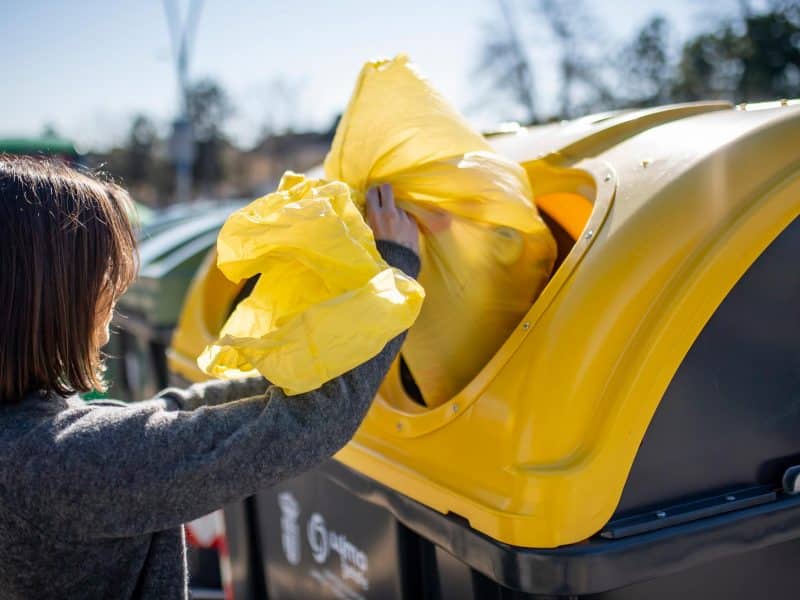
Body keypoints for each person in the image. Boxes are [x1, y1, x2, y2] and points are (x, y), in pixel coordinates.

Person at [0, 156, 420, 599]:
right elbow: (306, 426)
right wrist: (396, 269)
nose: (115, 292)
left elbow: (171, 415)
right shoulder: (61, 463)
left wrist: (289, 372)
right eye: (103, 276)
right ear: (51, 296)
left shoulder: (29, 441)